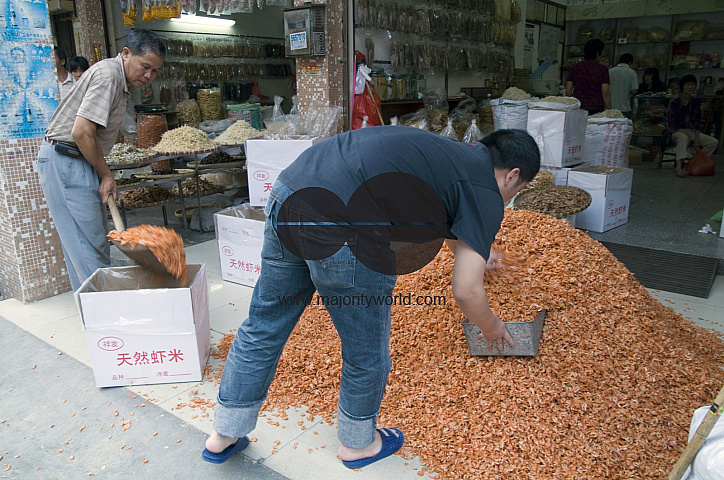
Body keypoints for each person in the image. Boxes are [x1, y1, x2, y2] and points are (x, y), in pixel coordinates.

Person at [202, 127, 541, 467]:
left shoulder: (451, 155)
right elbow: (466, 291)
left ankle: (224, 434)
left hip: (289, 193)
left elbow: (450, 223)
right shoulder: (486, 192)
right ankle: (358, 443)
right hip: (345, 226)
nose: (510, 197)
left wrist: (480, 251)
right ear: (513, 175)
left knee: (264, 324)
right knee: (365, 345)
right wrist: (493, 328)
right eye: (519, 190)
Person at [36, 29, 166, 291]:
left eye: (155, 71)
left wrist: (100, 171)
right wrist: (106, 174)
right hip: (66, 160)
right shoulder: (108, 75)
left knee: (91, 244)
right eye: (145, 67)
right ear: (126, 53)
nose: (149, 76)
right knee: (87, 249)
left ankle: (100, 314)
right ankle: (103, 321)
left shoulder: (119, 81)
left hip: (77, 160)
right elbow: (81, 132)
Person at [666, 74, 719, 177]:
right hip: (675, 131)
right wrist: (680, 130)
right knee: (683, 138)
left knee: (713, 142)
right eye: (688, 84)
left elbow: (697, 121)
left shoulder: (695, 101)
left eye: (693, 84)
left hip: (690, 130)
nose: (690, 87)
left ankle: (693, 163)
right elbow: (670, 122)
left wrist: (697, 137)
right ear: (683, 86)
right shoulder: (674, 101)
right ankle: (679, 167)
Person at [565, 39, 611, 115]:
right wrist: (609, 108)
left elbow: (568, 90)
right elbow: (605, 92)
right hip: (596, 107)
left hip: (578, 106)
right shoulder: (602, 69)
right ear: (597, 53)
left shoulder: (575, 67)